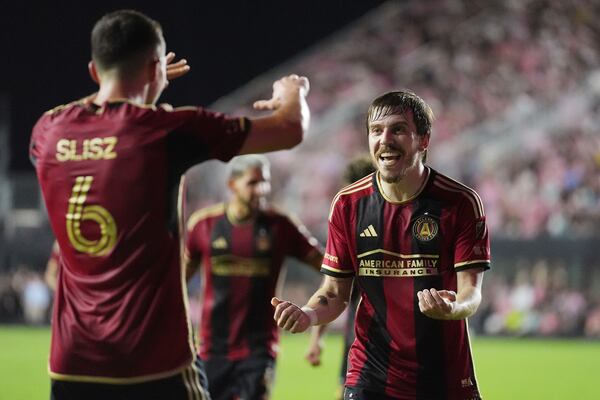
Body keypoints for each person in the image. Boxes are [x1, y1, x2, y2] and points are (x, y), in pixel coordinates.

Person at [29, 9, 310, 400]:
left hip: (73, 365)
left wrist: (143, 81)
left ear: (94, 71)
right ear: (155, 68)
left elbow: (99, 120)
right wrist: (291, 91)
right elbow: (290, 128)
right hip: (154, 363)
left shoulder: (47, 131)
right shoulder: (167, 130)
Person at [273, 90, 490, 400]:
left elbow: (472, 293)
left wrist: (453, 307)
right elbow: (334, 293)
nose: (385, 139)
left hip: (443, 378)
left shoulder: (460, 203)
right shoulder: (348, 204)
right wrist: (307, 315)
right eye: (376, 130)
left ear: (423, 140)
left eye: (398, 129)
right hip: (371, 375)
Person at [184, 154, 323, 400]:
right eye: (253, 183)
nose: (261, 190)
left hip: (259, 350)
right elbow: (178, 283)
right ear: (232, 185)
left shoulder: (280, 226)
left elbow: (330, 268)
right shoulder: (204, 225)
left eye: (265, 182)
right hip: (211, 349)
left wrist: (316, 317)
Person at [304, 155, 375, 400]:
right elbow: (333, 291)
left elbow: (332, 290)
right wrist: (316, 338)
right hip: (359, 351)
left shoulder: (355, 237)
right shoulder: (352, 236)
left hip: (361, 350)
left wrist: (316, 340)